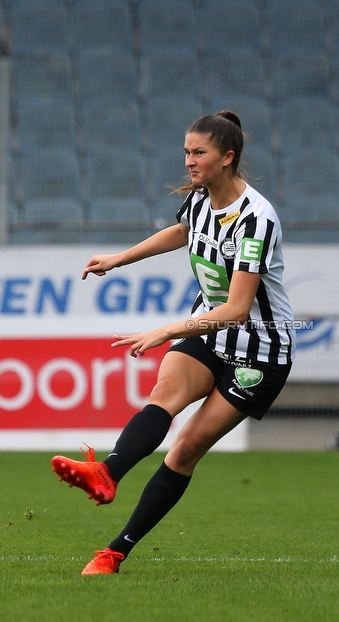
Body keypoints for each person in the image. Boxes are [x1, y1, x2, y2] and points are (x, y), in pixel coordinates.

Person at [51, 110, 295, 575]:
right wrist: (120, 259)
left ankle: (114, 552)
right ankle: (105, 475)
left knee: (185, 450)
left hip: (259, 351)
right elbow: (184, 232)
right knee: (164, 395)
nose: (188, 160)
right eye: (186, 151)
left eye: (198, 152)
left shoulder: (255, 220)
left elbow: (238, 309)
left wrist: (166, 329)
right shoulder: (201, 199)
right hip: (210, 329)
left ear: (227, 157)